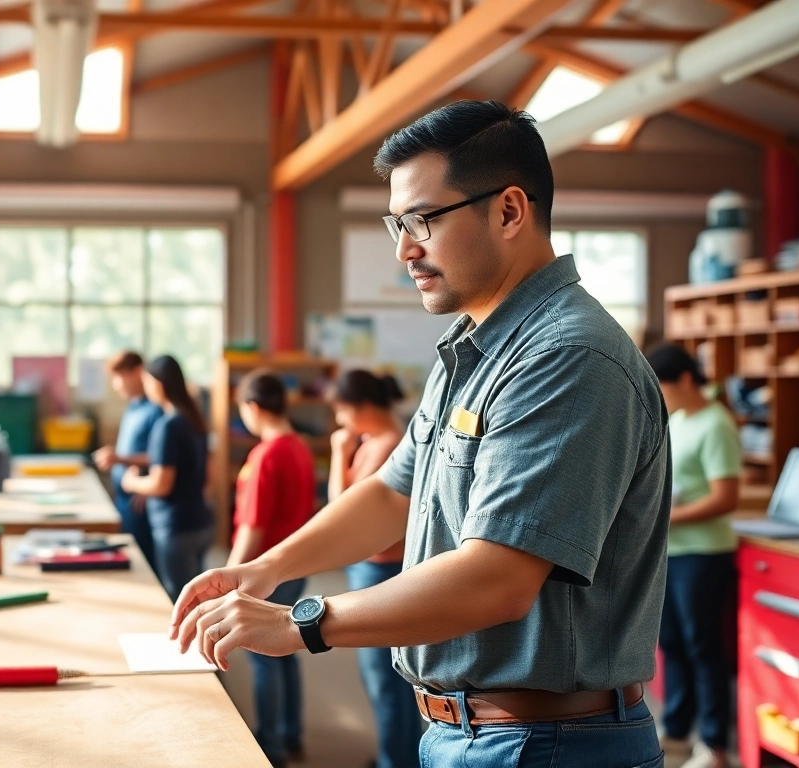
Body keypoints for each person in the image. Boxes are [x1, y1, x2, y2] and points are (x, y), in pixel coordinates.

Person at [169, 100, 670, 768]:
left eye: (423, 221)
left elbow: (497, 578)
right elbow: (389, 494)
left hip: (546, 745)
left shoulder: (567, 357)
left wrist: (302, 621)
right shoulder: (474, 348)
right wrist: (266, 570)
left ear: (509, 210)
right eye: (396, 223)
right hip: (467, 733)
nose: (405, 248)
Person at [645, 343, 741, 768]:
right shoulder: (677, 419)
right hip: (672, 552)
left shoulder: (716, 424)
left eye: (663, 387)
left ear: (686, 379)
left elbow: (726, 498)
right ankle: (679, 731)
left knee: (704, 647)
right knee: (671, 644)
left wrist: (666, 515)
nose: (660, 397)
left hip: (704, 553)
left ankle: (714, 743)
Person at [328, 369, 421, 768]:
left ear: (363, 408)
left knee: (387, 683)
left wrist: (337, 452)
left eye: (342, 412)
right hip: (371, 568)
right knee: (383, 680)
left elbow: (342, 510)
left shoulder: (386, 445)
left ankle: (395, 759)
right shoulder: (374, 440)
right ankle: (394, 754)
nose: (339, 423)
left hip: (382, 570)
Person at [229, 370, 317, 768]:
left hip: (265, 569)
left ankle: (271, 744)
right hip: (294, 566)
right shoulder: (299, 446)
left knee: (263, 653)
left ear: (252, 407)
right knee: (287, 646)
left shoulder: (266, 454)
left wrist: (230, 579)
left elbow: (253, 527)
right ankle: (291, 732)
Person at [121, 355, 215, 600]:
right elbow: (203, 475)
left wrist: (133, 482)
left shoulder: (168, 425)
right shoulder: (194, 420)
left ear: (159, 384)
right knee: (197, 596)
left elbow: (162, 484)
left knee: (180, 599)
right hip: (200, 521)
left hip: (176, 528)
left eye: (147, 382)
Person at [92, 351, 163, 571]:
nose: (116, 385)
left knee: (147, 565)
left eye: (120, 377)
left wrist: (120, 459)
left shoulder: (155, 409)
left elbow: (162, 456)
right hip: (125, 500)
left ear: (137, 372)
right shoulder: (133, 407)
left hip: (140, 502)